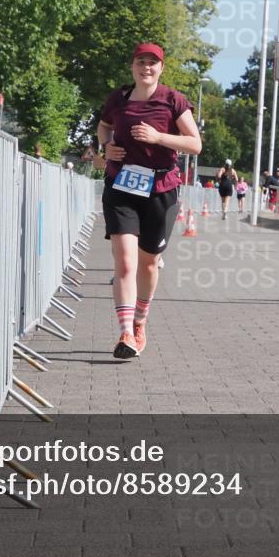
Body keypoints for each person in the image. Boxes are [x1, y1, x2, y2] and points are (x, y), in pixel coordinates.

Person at [95, 43, 201, 359]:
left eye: (152, 63)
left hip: (161, 189)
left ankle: (140, 321)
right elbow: (104, 127)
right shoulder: (118, 98)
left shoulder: (173, 100)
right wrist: (106, 147)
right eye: (141, 62)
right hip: (122, 186)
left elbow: (195, 144)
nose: (146, 68)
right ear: (133, 66)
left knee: (149, 262)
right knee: (125, 261)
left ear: (161, 68)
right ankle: (126, 333)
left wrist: (158, 138)